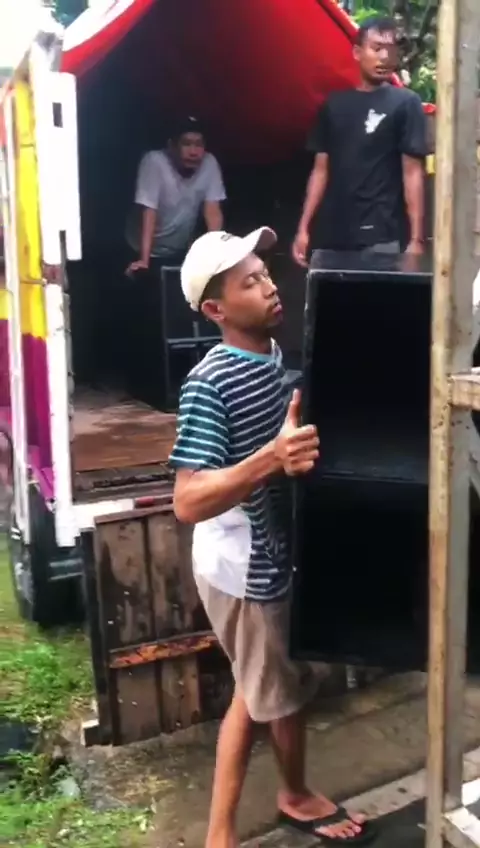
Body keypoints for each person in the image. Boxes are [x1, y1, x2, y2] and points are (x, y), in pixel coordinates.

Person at [169, 228, 375, 847]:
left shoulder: (273, 357)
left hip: (274, 557)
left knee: (269, 690)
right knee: (263, 695)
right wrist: (271, 458)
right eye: (250, 282)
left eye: (265, 273)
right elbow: (187, 499)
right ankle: (229, 831)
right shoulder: (210, 381)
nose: (270, 286)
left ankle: (284, 797)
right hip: (244, 567)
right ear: (215, 309)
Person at [292, 17, 427, 265]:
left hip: (383, 236)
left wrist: (416, 239)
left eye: (391, 50)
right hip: (332, 234)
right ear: (357, 52)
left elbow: (412, 172)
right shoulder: (334, 105)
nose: (384, 57)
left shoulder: (406, 103)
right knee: (329, 290)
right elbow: (320, 170)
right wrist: (304, 227)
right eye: (377, 48)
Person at [125, 117, 226, 274]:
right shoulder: (153, 161)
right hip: (141, 248)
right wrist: (144, 260)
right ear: (171, 146)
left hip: (180, 249)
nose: (193, 152)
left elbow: (212, 211)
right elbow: (149, 211)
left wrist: (216, 256)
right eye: (186, 144)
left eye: (199, 145)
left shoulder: (209, 162)